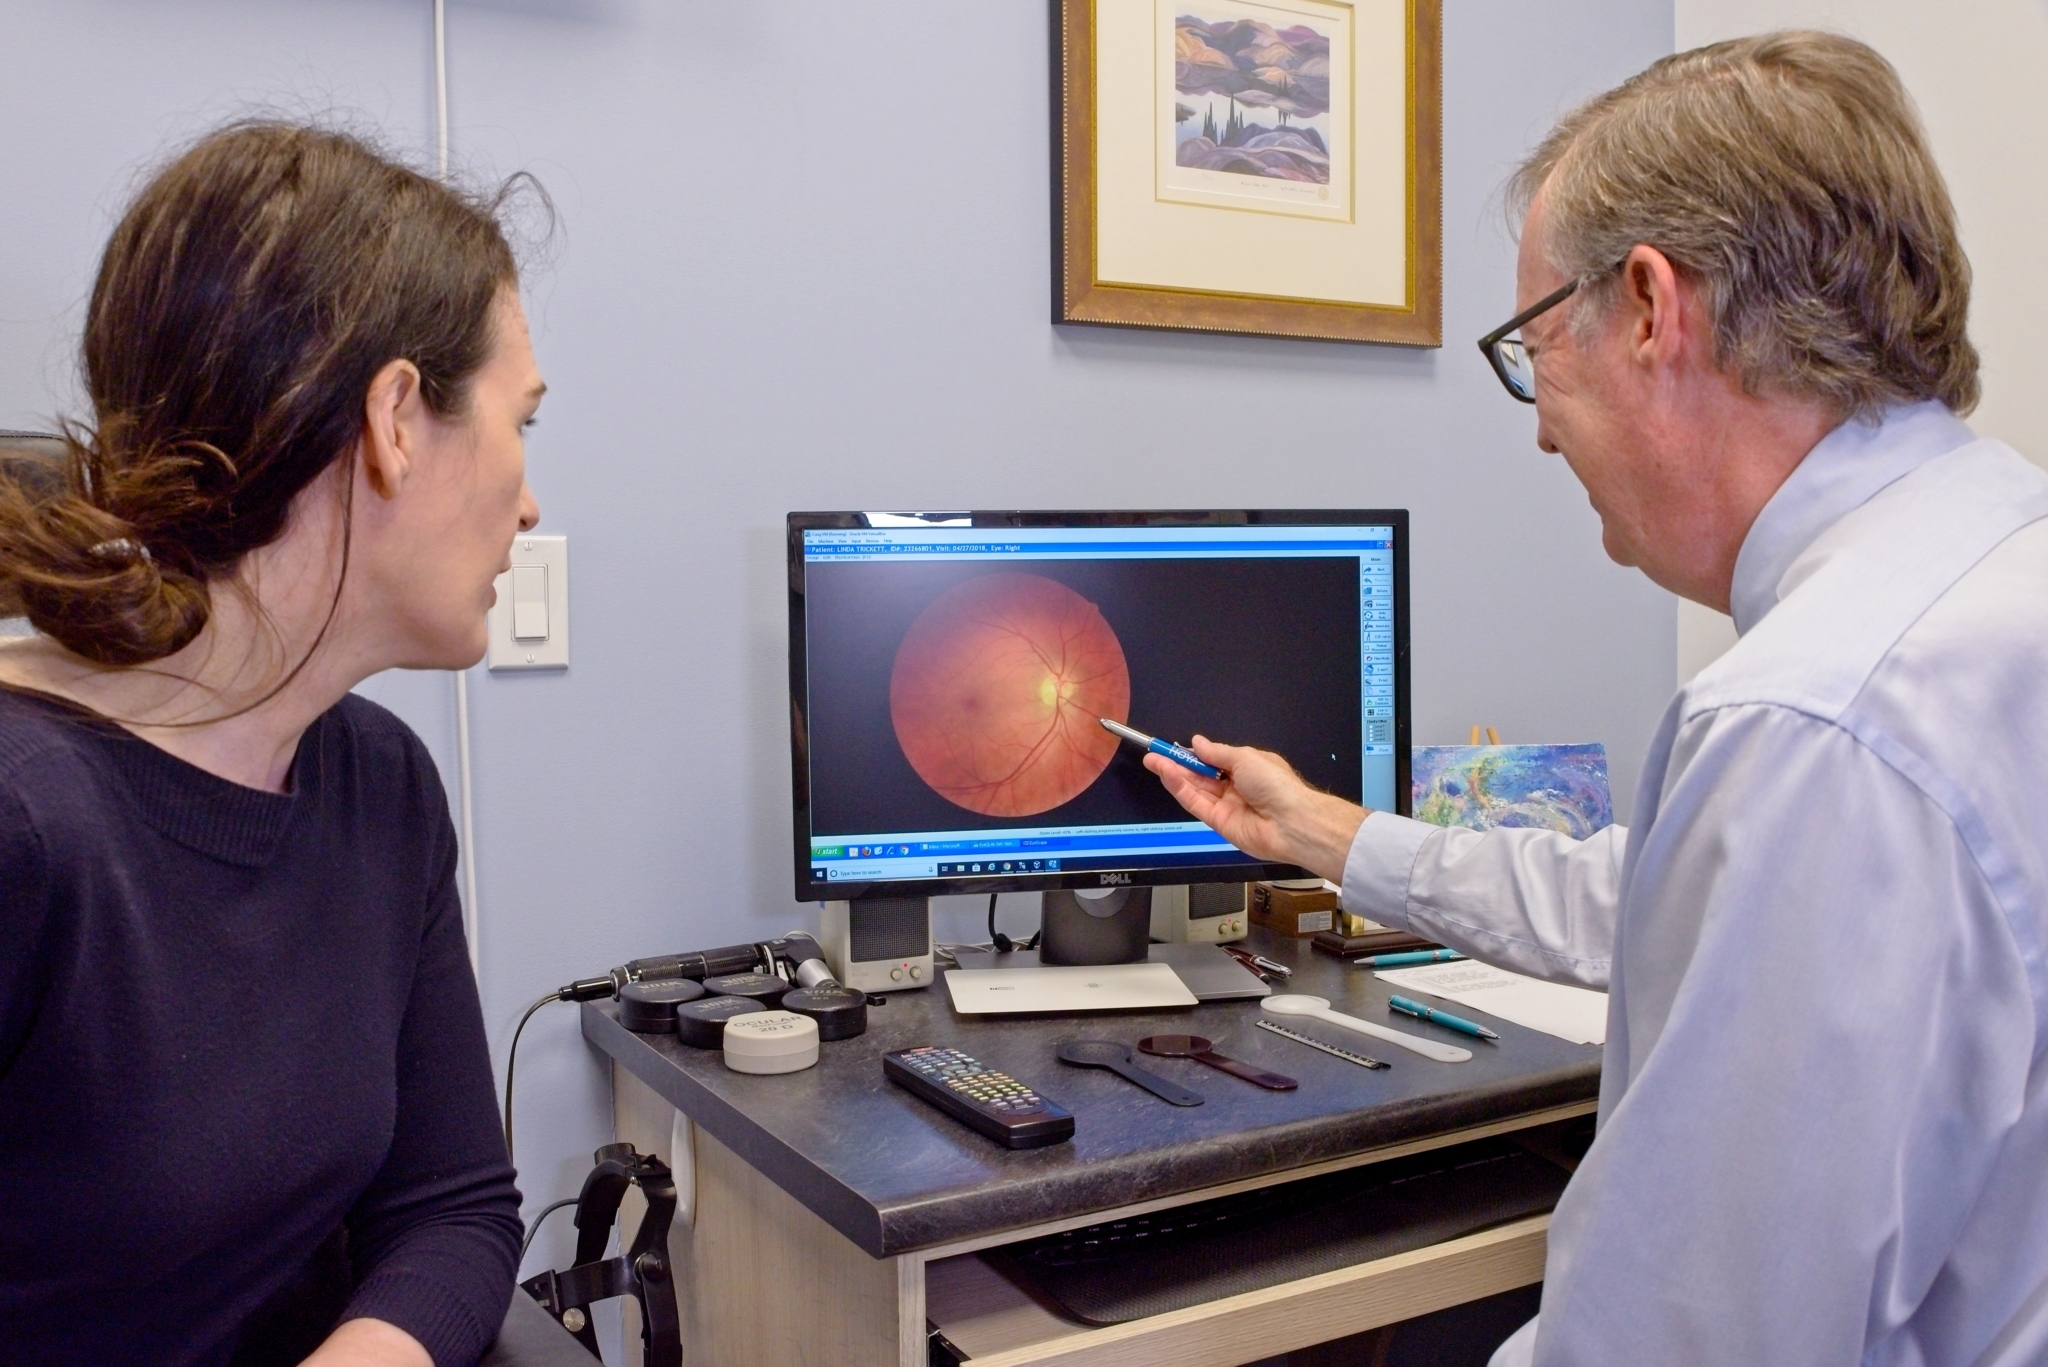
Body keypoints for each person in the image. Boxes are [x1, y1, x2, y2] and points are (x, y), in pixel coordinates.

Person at [1147, 33, 2048, 1367]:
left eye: (1533, 347)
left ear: (1646, 307)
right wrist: (1322, 832)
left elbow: (1685, 1336)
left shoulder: (1812, 721)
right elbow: (1656, 900)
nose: (1539, 425)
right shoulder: (1994, 557)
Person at [0, 122, 539, 1366]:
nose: (528, 503)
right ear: (396, 418)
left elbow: (450, 1207)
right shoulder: (28, 821)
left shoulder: (379, 783)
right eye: (522, 421)